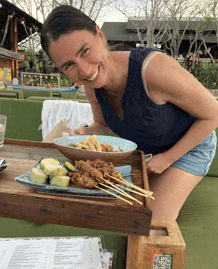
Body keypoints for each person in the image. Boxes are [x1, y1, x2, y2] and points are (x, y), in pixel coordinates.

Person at [41, 5, 218, 221]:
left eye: (85, 51)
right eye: (69, 65)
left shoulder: (154, 69)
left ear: (100, 35)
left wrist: (168, 158)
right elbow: (102, 125)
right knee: (104, 208)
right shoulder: (91, 83)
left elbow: (213, 114)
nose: (85, 70)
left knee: (146, 222)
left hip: (190, 148)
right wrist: (85, 132)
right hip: (147, 154)